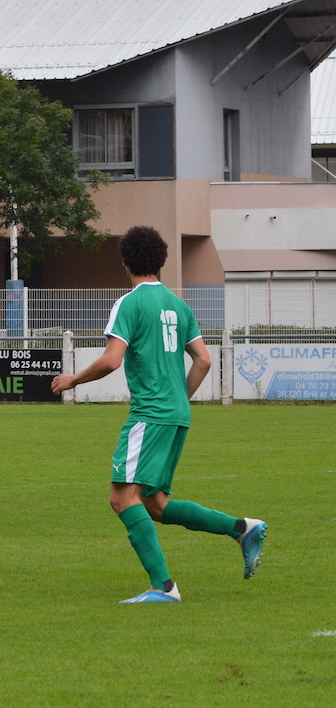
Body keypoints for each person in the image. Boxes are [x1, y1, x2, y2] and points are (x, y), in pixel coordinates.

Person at [51, 225, 266, 603]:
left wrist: (73, 379)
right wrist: (178, 399)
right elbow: (203, 360)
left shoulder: (129, 303)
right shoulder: (179, 305)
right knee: (154, 503)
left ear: (125, 260)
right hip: (177, 414)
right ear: (161, 261)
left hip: (150, 414)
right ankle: (241, 529)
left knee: (122, 498)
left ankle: (164, 587)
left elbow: (111, 360)